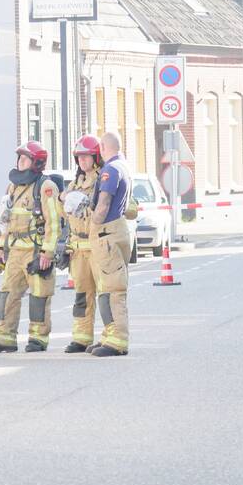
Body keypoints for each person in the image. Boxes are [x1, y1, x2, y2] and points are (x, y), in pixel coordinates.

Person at [0, 141, 61, 353]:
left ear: (36, 163)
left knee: (38, 297)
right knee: (8, 294)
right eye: (19, 158)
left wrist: (47, 252)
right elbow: (5, 221)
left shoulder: (46, 188)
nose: (20, 162)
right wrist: (1, 248)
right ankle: (5, 338)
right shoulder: (13, 187)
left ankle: (38, 339)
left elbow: (53, 223)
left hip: (36, 252)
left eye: (24, 159)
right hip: (15, 251)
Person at [87, 132, 132, 357]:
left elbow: (103, 205)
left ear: (104, 147)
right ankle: (109, 335)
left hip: (107, 234)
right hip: (119, 231)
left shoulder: (110, 170)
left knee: (113, 288)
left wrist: (91, 219)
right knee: (107, 287)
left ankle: (117, 340)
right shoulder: (124, 166)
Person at [58, 135, 103, 353]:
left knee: (105, 294)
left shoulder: (104, 180)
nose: (82, 161)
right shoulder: (75, 183)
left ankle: (109, 337)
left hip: (97, 247)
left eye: (86, 156)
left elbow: (126, 208)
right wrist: (62, 200)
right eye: (79, 157)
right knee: (81, 296)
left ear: (96, 157)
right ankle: (81, 337)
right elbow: (64, 214)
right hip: (78, 249)